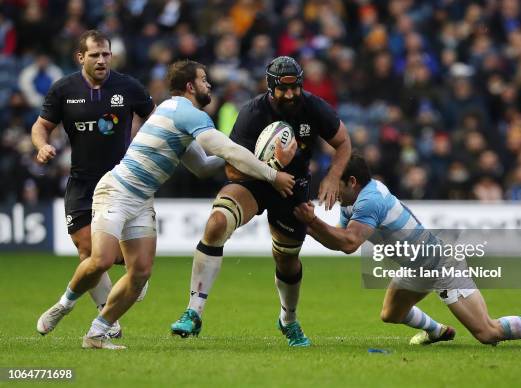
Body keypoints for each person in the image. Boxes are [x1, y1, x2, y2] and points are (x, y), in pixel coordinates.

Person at [36, 59, 297, 349]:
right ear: (190, 86)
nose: (208, 84)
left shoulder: (177, 117)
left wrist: (254, 156)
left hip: (141, 200)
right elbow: (223, 149)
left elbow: (203, 166)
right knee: (101, 259)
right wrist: (272, 173)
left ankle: (97, 332)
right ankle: (64, 304)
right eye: (203, 79)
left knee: (140, 274)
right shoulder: (184, 111)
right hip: (117, 190)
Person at [293, 154, 521, 347]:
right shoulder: (352, 201)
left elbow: (348, 244)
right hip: (416, 266)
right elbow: (340, 241)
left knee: (487, 333)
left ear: (352, 182)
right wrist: (309, 225)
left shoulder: (369, 201)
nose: (330, 187)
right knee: (391, 313)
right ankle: (437, 332)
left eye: (335, 182)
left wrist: (311, 221)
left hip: (441, 263)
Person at [170, 56, 351, 347]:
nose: (291, 95)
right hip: (253, 180)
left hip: (294, 188)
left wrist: (332, 176)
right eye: (283, 89)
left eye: (295, 88)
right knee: (217, 223)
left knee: (287, 259)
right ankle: (193, 311)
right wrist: (272, 167)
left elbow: (343, 142)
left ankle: (288, 320)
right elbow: (230, 167)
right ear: (270, 87)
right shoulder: (252, 113)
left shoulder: (313, 106)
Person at [31, 30, 155, 338]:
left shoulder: (128, 87)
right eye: (95, 55)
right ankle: (106, 320)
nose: (102, 60)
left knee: (116, 259)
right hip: (82, 183)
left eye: (106, 54)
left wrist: (148, 151)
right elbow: (41, 126)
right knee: (89, 252)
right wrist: (41, 145)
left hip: (121, 183)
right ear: (80, 57)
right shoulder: (63, 89)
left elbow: (155, 120)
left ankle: (132, 280)